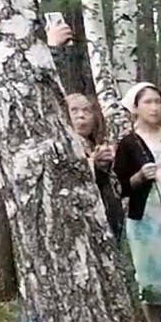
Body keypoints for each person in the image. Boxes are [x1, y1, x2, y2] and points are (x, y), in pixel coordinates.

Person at [113, 82, 161, 322]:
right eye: (148, 102)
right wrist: (139, 177)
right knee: (149, 276)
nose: (154, 108)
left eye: (158, 102)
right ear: (135, 108)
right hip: (145, 217)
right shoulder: (129, 143)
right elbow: (119, 187)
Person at [66, 92, 126, 239]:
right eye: (74, 110)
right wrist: (92, 163)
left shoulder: (93, 145)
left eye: (86, 110)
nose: (81, 115)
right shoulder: (62, 147)